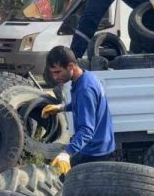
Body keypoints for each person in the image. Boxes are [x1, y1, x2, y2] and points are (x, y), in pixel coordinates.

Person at [41, 46, 115, 174]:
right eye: (52, 72)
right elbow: (86, 106)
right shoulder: (87, 77)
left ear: (70, 66)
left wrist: (66, 153)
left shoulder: (84, 89)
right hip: (102, 144)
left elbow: (86, 130)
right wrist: (62, 107)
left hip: (94, 152)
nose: (54, 77)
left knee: (64, 182)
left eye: (57, 72)